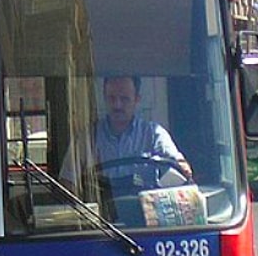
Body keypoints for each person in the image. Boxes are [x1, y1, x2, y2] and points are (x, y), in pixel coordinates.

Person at [60, 76, 192, 190]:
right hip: (100, 216)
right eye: (112, 98)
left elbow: (181, 169)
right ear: (104, 98)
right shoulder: (87, 138)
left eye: (124, 99)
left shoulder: (153, 135)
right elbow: (67, 181)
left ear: (136, 99)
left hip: (142, 214)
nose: (117, 105)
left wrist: (181, 167)